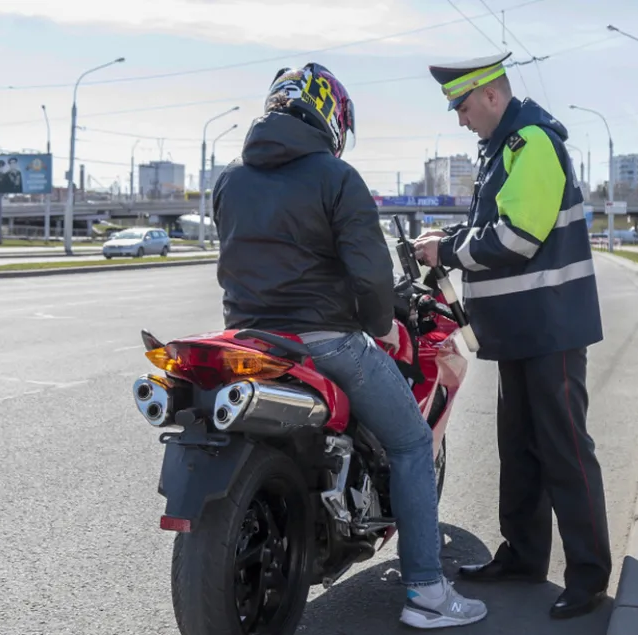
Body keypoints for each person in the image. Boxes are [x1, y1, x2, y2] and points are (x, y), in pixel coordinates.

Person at [211, 62, 489, 630]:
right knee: (412, 443)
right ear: (331, 115)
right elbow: (369, 276)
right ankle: (427, 595)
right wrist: (381, 324)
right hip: (324, 342)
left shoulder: (229, 179)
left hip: (248, 339)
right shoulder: (336, 178)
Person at [412, 52, 611, 620]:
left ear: (492, 97)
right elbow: (489, 226)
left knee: (566, 452)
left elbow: (518, 236)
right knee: (519, 450)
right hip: (523, 330)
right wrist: (446, 236)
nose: (460, 119)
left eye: (464, 106)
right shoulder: (502, 150)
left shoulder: (531, 143)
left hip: (551, 329)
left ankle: (589, 576)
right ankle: (523, 556)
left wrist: (446, 250)